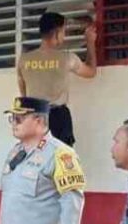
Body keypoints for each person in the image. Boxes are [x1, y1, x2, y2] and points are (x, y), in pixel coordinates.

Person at [16, 11, 98, 146]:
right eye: (63, 31)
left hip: (33, 117)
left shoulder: (23, 60)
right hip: (58, 118)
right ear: (57, 33)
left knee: (35, 155)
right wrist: (90, 42)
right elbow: (91, 71)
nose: (64, 35)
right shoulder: (67, 58)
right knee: (61, 157)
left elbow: (23, 93)